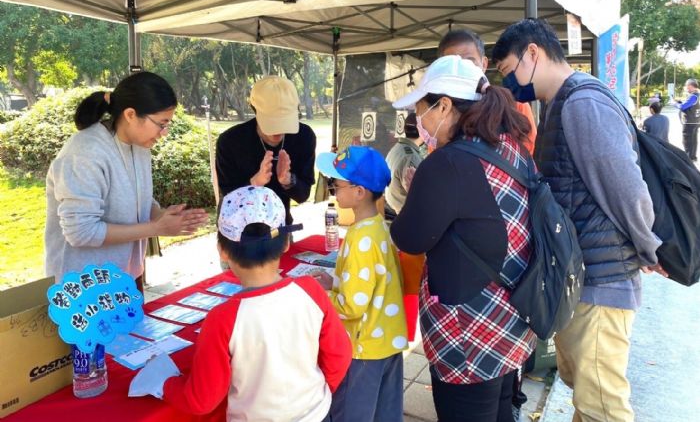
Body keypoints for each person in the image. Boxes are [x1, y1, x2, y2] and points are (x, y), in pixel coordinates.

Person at [492, 18, 667, 422]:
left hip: (603, 284)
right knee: (588, 401)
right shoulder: (563, 102)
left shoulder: (584, 102)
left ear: (532, 53)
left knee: (603, 408)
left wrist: (648, 245)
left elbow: (625, 186)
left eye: (509, 71)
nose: (510, 85)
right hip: (584, 282)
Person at [391, 55, 537, 422]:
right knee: (502, 412)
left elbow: (409, 237)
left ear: (443, 105)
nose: (418, 120)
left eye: (421, 108)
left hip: (469, 336)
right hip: (515, 319)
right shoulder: (510, 149)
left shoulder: (445, 163)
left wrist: (415, 194)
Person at [130, 186, 352, 422]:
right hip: (318, 413)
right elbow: (340, 354)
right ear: (286, 243)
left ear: (222, 251)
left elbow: (201, 400)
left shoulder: (223, 318)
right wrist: (317, 394)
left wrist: (163, 382)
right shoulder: (311, 291)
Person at [45, 72, 208, 290]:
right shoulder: (85, 152)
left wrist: (163, 216)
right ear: (130, 114)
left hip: (125, 275)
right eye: (161, 123)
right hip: (84, 285)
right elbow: (81, 232)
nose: (164, 132)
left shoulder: (139, 146)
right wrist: (155, 228)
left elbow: (138, 199)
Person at [315, 146, 407, 422]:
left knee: (353, 414)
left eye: (336, 184)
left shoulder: (359, 240)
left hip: (362, 348)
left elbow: (352, 307)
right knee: (385, 414)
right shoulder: (377, 226)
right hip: (386, 340)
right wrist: (334, 281)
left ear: (359, 192)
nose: (333, 189)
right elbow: (373, 282)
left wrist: (320, 296)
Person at [216, 76, 316, 224]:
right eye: (272, 122)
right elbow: (228, 196)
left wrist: (287, 179)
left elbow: (302, 195)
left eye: (284, 122)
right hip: (237, 230)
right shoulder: (230, 141)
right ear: (255, 110)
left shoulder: (303, 136)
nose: (278, 131)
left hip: (280, 225)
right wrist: (255, 182)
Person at [438, 28, 537, 154]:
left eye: (469, 62)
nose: (462, 69)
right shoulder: (441, 111)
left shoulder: (516, 106)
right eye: (452, 65)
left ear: (484, 64)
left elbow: (528, 154)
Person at [384, 112, 425, 221]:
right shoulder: (410, 156)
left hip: (396, 213)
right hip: (407, 216)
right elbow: (417, 195)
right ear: (422, 131)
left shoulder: (397, 148)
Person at [674, 78, 700, 161]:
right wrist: (680, 102)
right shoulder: (697, 95)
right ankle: (693, 157)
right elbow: (688, 105)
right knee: (694, 140)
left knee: (687, 140)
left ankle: (689, 158)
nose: (686, 88)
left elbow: (683, 107)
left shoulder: (693, 96)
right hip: (696, 121)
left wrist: (675, 104)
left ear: (691, 86)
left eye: (687, 86)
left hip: (689, 122)